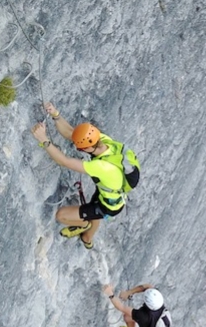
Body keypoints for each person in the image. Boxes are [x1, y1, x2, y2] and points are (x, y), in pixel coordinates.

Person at [29, 102, 140, 250]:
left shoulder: (101, 167)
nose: (77, 147)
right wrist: (55, 114)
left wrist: (43, 139)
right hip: (107, 193)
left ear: (87, 147)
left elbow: (64, 161)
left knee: (61, 215)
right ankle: (88, 232)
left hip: (108, 205)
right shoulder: (103, 141)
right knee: (94, 211)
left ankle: (85, 227)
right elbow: (71, 133)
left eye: (80, 147)